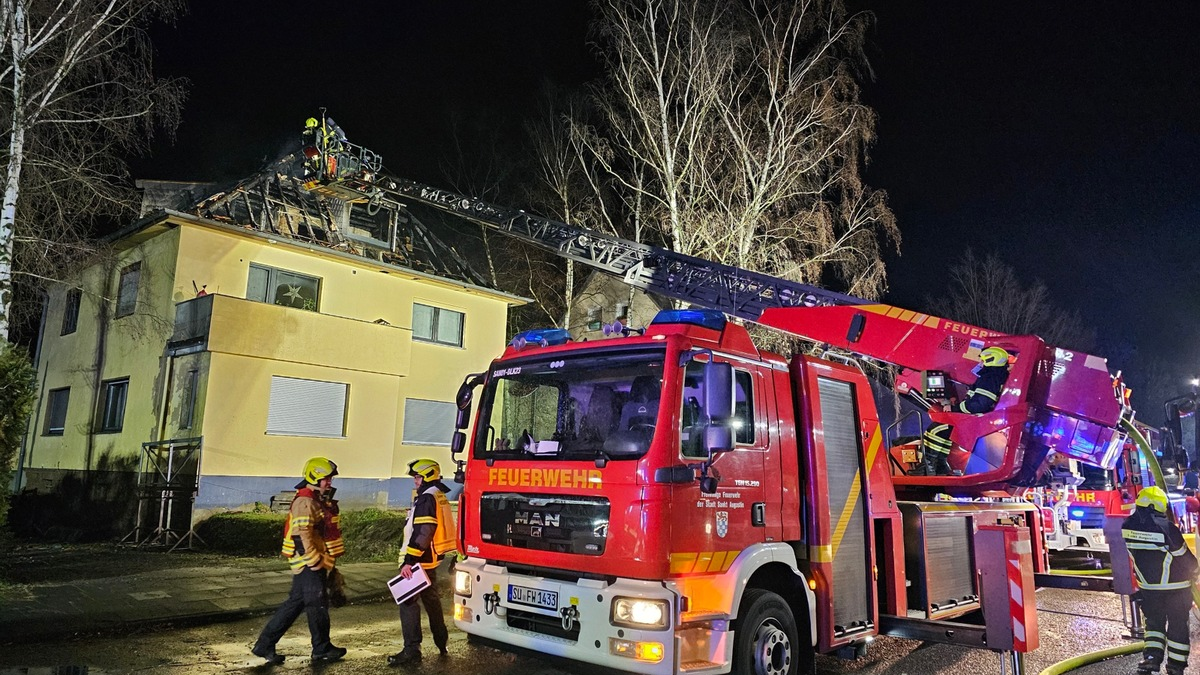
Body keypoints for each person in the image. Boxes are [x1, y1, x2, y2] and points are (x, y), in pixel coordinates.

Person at [252, 457, 347, 665]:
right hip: (308, 562)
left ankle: (265, 645)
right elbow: (301, 534)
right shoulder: (306, 501)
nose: (329, 482)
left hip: (309, 562)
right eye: (326, 479)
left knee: (295, 604)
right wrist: (314, 561)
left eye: (330, 478)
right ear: (315, 478)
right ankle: (321, 648)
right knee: (317, 604)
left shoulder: (314, 499)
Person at [388, 458, 457, 667]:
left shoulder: (427, 497)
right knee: (432, 601)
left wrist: (409, 561)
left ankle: (411, 651)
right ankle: (441, 642)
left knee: (408, 603)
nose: (415, 481)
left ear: (427, 476)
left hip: (419, 561)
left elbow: (423, 532)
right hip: (430, 559)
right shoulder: (437, 495)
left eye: (417, 477)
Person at [1122, 486, 1198, 675]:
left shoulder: (1127, 526)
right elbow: (1184, 557)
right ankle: (1175, 666)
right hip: (1176, 588)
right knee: (1178, 626)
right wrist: (1195, 571)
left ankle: (1151, 660)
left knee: (1154, 625)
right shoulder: (1167, 528)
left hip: (1149, 588)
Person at [912, 346, 1012, 476]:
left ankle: (927, 467)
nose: (980, 363)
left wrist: (955, 409)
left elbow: (979, 404)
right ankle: (941, 466)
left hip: (976, 419)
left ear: (990, 359)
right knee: (944, 431)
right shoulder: (998, 377)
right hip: (983, 419)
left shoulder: (989, 378)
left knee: (935, 429)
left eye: (982, 360)